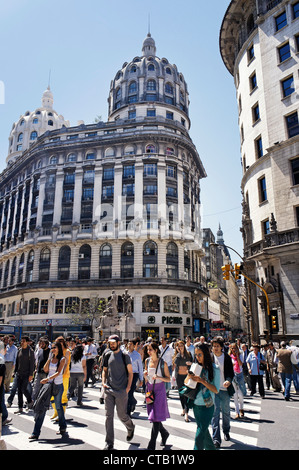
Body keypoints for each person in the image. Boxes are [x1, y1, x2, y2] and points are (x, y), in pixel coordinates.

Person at [184, 342, 220, 450]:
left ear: (206, 354)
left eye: (200, 354)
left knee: (199, 435)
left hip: (207, 405)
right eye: (196, 355)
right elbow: (186, 383)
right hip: (196, 404)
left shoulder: (215, 368)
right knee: (204, 432)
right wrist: (189, 376)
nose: (197, 357)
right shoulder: (195, 366)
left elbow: (216, 389)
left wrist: (201, 381)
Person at [102, 335, 135, 450]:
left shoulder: (125, 356)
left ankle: (130, 427)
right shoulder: (107, 355)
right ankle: (109, 443)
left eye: (113, 343)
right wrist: (103, 382)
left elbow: (130, 373)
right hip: (109, 390)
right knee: (108, 416)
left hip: (121, 390)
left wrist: (128, 388)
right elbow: (104, 370)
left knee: (122, 415)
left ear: (118, 343)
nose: (111, 344)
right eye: (110, 343)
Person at [29, 342, 67, 440]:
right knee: (42, 407)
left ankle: (62, 427)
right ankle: (35, 433)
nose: (53, 349)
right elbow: (45, 369)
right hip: (48, 385)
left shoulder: (62, 359)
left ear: (59, 348)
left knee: (58, 407)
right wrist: (49, 358)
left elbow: (59, 372)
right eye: (52, 347)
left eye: (55, 347)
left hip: (58, 386)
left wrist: (47, 378)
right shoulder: (51, 358)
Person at [144, 341, 170, 450]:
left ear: (155, 350)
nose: (148, 352)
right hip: (150, 390)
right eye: (147, 350)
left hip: (160, 391)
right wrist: (145, 375)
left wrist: (159, 377)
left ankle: (152, 445)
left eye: (150, 349)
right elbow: (147, 378)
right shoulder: (147, 361)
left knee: (155, 417)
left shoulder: (162, 363)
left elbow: (168, 378)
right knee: (155, 417)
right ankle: (164, 433)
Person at [210, 336, 234, 448]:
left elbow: (231, 373)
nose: (215, 348)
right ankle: (216, 439)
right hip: (214, 390)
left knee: (226, 412)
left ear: (221, 347)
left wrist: (228, 381)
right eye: (214, 346)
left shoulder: (227, 358)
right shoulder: (210, 358)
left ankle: (226, 430)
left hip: (224, 390)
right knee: (214, 415)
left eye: (217, 346)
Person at [50, 336, 71, 420]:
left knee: (63, 396)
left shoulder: (67, 351)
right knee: (52, 396)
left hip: (64, 375)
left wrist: (61, 373)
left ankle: (61, 415)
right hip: (55, 375)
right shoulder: (57, 351)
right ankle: (56, 412)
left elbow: (66, 364)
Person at [14, 336, 35, 414]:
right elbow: (17, 362)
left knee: (23, 389)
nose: (22, 343)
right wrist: (15, 371)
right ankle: (20, 407)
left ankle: (30, 400)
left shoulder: (30, 351)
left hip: (26, 374)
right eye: (21, 341)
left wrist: (31, 374)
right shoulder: (19, 350)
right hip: (19, 373)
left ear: (27, 342)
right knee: (19, 390)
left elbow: (32, 364)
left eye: (23, 341)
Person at [174, 340, 193, 422]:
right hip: (179, 376)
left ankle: (186, 413)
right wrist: (179, 353)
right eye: (179, 346)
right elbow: (176, 363)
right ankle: (183, 409)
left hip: (186, 376)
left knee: (187, 394)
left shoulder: (188, 354)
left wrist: (190, 363)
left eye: (181, 345)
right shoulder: (177, 356)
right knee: (181, 394)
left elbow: (193, 363)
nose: (180, 347)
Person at [229, 343, 247, 418]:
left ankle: (241, 408)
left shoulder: (241, 355)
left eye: (235, 348)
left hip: (239, 374)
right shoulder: (229, 356)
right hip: (233, 375)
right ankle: (237, 412)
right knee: (235, 394)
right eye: (232, 348)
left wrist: (237, 356)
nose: (234, 350)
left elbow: (240, 364)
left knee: (240, 393)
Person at [127, 338, 143, 416]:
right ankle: (133, 402)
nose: (129, 346)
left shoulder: (137, 355)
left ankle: (128, 411)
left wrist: (141, 379)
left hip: (134, 374)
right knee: (126, 392)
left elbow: (140, 367)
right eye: (128, 344)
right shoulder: (125, 354)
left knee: (130, 391)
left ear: (134, 346)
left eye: (130, 344)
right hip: (126, 375)